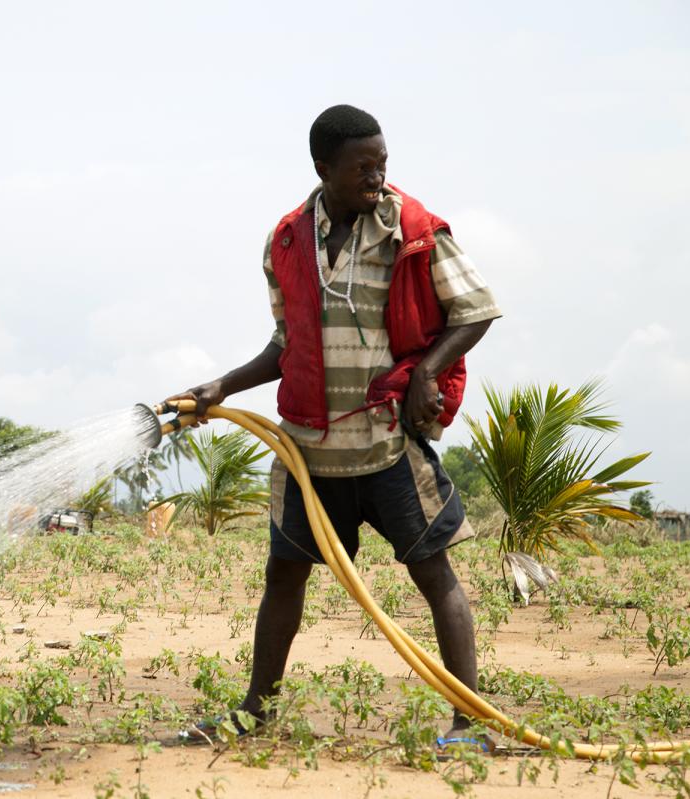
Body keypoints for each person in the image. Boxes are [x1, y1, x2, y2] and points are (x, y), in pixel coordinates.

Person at [167, 104, 501, 752]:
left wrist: (428, 372)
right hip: (310, 453)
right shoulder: (286, 240)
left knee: (434, 574)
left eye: (382, 164)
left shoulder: (412, 228)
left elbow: (476, 309)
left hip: (385, 444)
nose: (377, 177)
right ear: (323, 169)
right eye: (361, 167)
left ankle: (472, 723)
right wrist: (221, 387)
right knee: (284, 577)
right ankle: (254, 713)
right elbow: (286, 345)